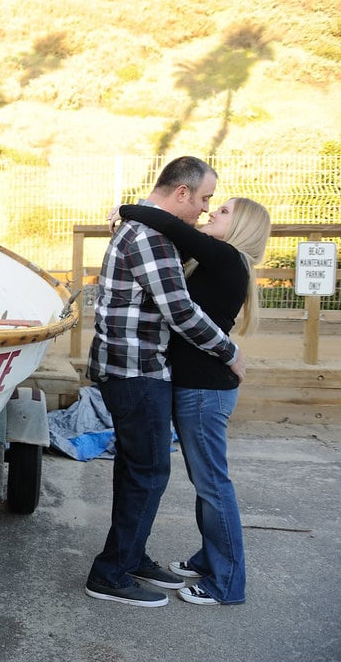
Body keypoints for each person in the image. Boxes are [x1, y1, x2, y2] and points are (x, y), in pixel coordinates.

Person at [84, 156, 246, 608]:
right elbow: (180, 312)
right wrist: (230, 352)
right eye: (204, 199)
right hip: (137, 371)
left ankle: (129, 557)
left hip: (134, 367)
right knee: (149, 472)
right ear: (181, 193)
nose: (203, 210)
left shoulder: (148, 230)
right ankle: (111, 573)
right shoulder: (151, 235)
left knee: (138, 469)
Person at [116, 196, 271, 605]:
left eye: (221, 211)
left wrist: (128, 209)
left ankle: (226, 582)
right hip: (199, 388)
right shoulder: (218, 261)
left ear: (240, 227)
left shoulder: (225, 256)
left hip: (205, 392)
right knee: (207, 484)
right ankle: (208, 560)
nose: (209, 212)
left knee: (212, 485)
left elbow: (170, 225)